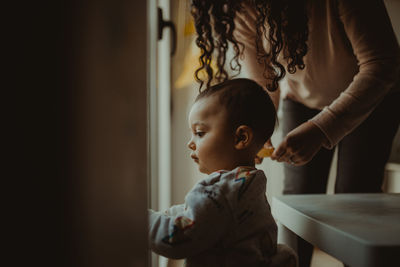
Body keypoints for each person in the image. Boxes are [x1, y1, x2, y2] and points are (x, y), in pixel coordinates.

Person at [190, 0, 400, 266]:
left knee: (355, 194)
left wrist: (321, 127)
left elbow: (383, 62)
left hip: (373, 99)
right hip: (301, 100)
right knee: (297, 198)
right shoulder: (239, 7)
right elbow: (263, 82)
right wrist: (257, 126)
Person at [149, 78, 297, 267]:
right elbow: (201, 212)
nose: (190, 143)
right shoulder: (247, 185)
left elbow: (175, 239)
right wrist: (166, 214)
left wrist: (139, 218)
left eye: (200, 133)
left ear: (241, 137)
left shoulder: (221, 193)